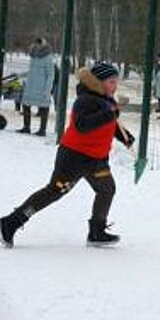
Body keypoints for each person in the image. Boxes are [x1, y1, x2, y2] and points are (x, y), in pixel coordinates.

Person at [0, 62, 135, 248]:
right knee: (54, 191)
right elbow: (83, 125)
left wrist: (124, 137)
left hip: (97, 160)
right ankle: (11, 222)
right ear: (98, 82)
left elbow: (110, 124)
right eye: (111, 81)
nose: (115, 86)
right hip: (74, 158)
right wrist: (109, 116)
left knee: (106, 189)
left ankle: (97, 231)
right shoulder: (85, 100)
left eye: (116, 81)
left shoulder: (107, 100)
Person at [17, 37, 55, 136]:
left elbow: (50, 74)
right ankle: (26, 127)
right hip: (30, 85)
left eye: (38, 44)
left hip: (41, 86)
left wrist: (48, 89)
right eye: (35, 44)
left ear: (42, 45)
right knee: (25, 105)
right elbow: (32, 70)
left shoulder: (48, 57)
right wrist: (22, 75)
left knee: (44, 107)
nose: (36, 46)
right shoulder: (33, 56)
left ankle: (42, 130)